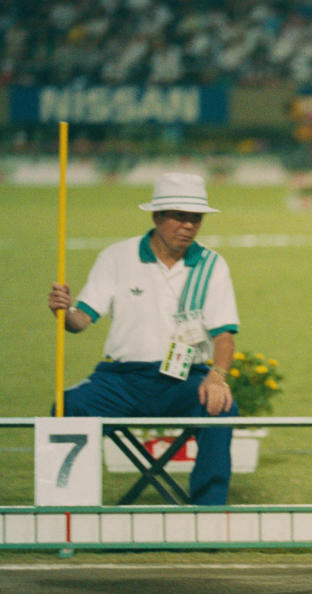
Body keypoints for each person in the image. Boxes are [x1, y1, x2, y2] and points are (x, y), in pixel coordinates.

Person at [48, 172, 239, 505]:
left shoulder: (212, 264)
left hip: (184, 380)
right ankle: (68, 512)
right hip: (121, 381)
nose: (189, 225)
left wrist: (217, 376)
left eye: (196, 218)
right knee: (67, 407)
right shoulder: (116, 257)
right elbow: (81, 321)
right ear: (157, 217)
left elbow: (224, 335)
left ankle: (208, 513)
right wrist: (63, 312)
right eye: (180, 217)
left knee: (221, 408)